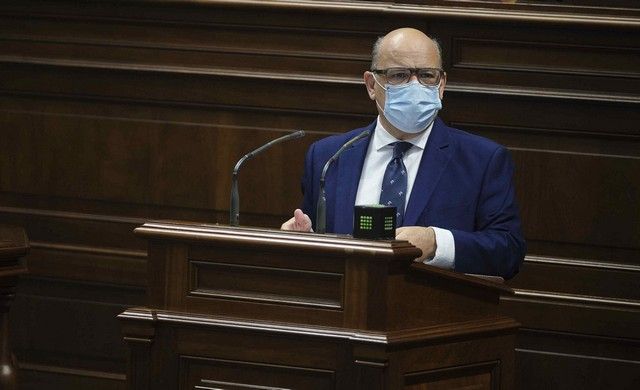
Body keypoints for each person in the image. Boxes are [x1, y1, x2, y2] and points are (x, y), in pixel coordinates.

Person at [282, 28, 525, 279]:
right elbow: (315, 242)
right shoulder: (328, 156)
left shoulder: (482, 160)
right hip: (346, 307)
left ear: (442, 85)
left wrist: (436, 242)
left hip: (435, 312)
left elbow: (508, 252)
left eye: (427, 75)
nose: (415, 85)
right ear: (371, 85)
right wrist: (302, 241)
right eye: (399, 75)